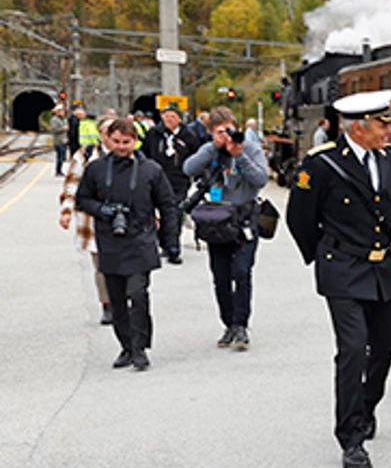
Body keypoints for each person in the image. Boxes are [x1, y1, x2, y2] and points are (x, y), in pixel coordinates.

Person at [285, 89, 391, 468]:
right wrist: (323, 255)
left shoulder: (388, 159)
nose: (389, 131)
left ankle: (366, 405)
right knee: (354, 349)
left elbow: (390, 209)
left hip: (379, 267)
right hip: (342, 268)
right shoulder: (322, 164)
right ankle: (351, 436)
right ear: (359, 127)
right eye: (382, 125)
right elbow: (299, 218)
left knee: (387, 346)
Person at [74, 117, 180, 372]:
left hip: (141, 239)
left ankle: (140, 347)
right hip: (110, 240)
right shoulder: (97, 169)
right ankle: (126, 346)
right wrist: (103, 209)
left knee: (138, 294)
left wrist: (171, 241)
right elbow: (83, 199)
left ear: (135, 141)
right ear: (108, 140)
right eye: (117, 142)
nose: (122, 147)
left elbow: (167, 205)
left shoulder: (151, 170)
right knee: (118, 299)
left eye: (127, 142)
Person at [182, 106, 269, 350]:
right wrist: (213, 148)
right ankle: (228, 323)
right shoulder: (210, 151)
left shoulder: (250, 149)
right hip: (218, 220)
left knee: (242, 271)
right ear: (210, 132)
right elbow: (188, 169)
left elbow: (261, 179)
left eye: (229, 130)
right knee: (220, 275)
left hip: (244, 218)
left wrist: (239, 154)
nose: (226, 135)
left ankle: (241, 324)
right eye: (219, 132)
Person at [58, 127, 111, 325]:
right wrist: (66, 211)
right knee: (101, 266)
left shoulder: (130, 154)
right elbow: (72, 184)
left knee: (125, 265)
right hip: (92, 220)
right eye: (107, 132)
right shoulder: (86, 155)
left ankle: (122, 301)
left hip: (124, 220)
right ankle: (107, 305)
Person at [142, 105, 200, 264]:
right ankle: (163, 243)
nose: (168, 120)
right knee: (158, 212)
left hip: (178, 180)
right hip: (156, 178)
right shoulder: (154, 134)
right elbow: (144, 152)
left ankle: (173, 246)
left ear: (180, 119)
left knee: (174, 211)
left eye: (172, 117)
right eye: (166, 116)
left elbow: (197, 156)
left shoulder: (188, 135)